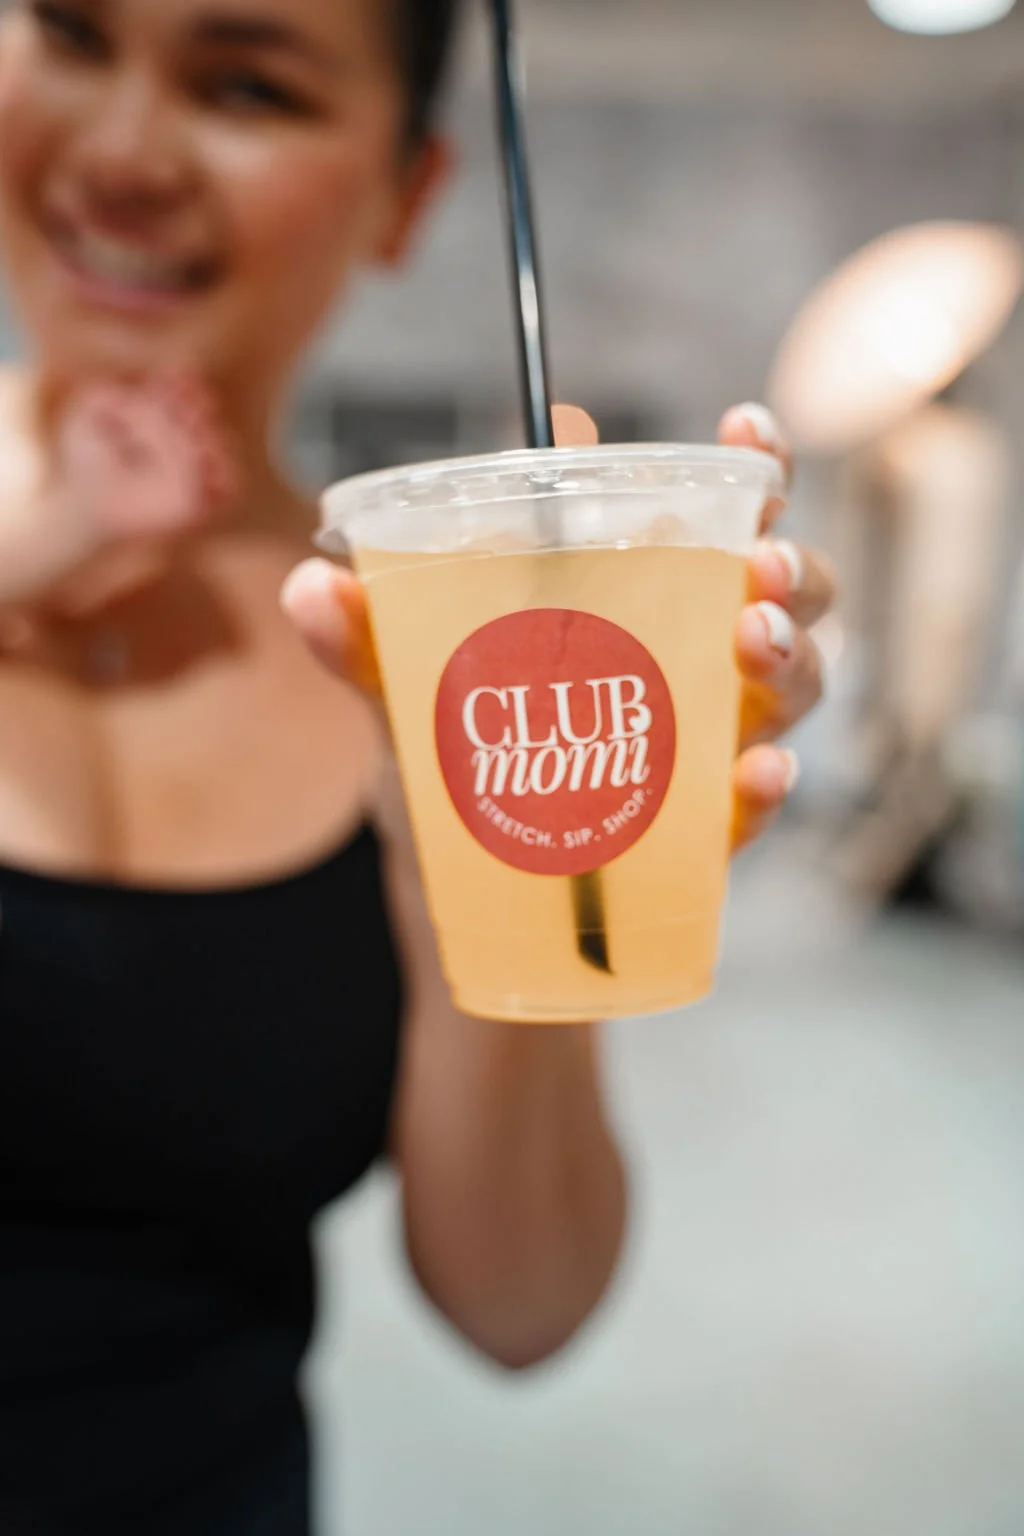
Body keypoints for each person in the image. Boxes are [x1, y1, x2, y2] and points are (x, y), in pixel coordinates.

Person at [0, 1, 836, 1531]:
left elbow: (521, 1304)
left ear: (407, 191)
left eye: (245, 84)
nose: (122, 152)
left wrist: (487, 874)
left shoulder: (431, 642)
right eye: (67, 30)